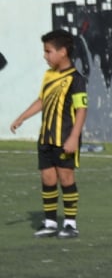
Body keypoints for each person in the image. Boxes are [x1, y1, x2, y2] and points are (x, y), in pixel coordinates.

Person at [9, 29, 87, 239]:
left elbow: (81, 110)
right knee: (47, 178)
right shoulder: (49, 75)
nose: (45, 56)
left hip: (65, 138)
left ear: (63, 52)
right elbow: (42, 100)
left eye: (48, 51)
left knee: (66, 177)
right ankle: (51, 222)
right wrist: (22, 117)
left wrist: (74, 137)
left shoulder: (76, 79)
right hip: (46, 137)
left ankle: (70, 224)